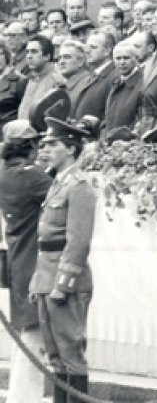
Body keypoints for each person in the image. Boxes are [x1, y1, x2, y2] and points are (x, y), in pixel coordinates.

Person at [30, 115, 97, 399]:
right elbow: (44, 238)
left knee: (71, 353)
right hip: (47, 276)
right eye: (43, 144)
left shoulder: (78, 185)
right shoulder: (57, 183)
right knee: (54, 355)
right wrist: (39, 282)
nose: (44, 149)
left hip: (64, 280)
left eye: (52, 144)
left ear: (70, 148)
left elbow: (78, 241)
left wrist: (63, 284)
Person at [0, 120, 52, 402]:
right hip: (33, 262)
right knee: (33, 340)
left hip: (19, 260)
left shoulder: (7, 173)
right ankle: (24, 398)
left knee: (26, 338)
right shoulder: (32, 176)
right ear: (29, 147)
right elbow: (59, 191)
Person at [104, 41, 144, 137]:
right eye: (118, 58)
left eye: (126, 58)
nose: (122, 62)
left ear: (136, 59)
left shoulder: (143, 83)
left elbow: (141, 120)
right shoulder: (115, 84)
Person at [18, 35, 62, 122]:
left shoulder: (57, 79)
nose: (29, 56)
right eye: (27, 52)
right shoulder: (33, 77)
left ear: (47, 56)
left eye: (34, 52)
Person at [74, 31, 116, 120]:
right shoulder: (94, 74)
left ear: (107, 50)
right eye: (87, 48)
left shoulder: (114, 76)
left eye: (93, 47)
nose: (87, 51)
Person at [57, 40, 94, 111]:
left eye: (67, 57)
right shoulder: (61, 85)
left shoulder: (89, 84)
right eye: (59, 58)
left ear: (81, 61)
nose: (61, 62)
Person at [0, 44, 26, 126]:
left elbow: (25, 111)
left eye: (0, 54)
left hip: (8, 132)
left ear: (6, 57)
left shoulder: (18, 80)